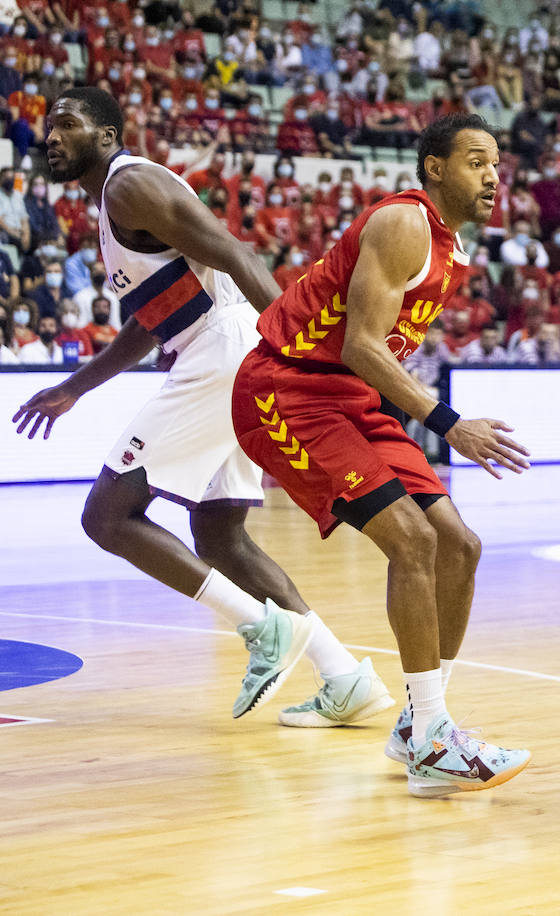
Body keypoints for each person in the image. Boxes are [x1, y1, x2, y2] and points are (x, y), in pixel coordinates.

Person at [13, 88, 392, 726]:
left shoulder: (129, 184)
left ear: (106, 135)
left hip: (226, 349)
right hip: (219, 348)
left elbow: (239, 254)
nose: (51, 135)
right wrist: (76, 386)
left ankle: (258, 627)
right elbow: (149, 324)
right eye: (48, 126)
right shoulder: (115, 206)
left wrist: (292, 355)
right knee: (219, 534)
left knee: (107, 517)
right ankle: (344, 676)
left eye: (68, 124)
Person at [229, 113, 533, 798]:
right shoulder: (404, 224)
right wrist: (448, 423)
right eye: (476, 162)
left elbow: (368, 361)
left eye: (496, 165)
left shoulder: (450, 247)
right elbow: (362, 345)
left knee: (459, 545)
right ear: (434, 167)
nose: (492, 177)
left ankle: (418, 726)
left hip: (350, 397)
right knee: (414, 540)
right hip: (288, 388)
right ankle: (432, 735)